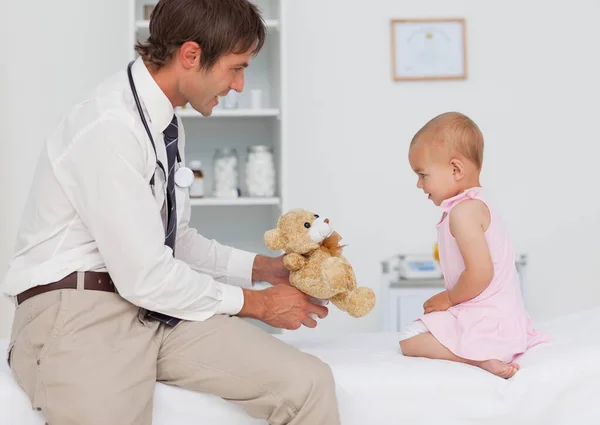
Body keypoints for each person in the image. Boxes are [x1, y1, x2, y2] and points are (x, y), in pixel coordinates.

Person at [1, 1, 342, 424]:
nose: (239, 85)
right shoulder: (108, 127)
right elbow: (144, 273)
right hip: (79, 309)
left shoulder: (164, 124)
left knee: (307, 384)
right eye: (236, 68)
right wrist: (257, 305)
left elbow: (170, 242)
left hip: (152, 306)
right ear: (191, 55)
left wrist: (262, 268)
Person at [399, 111, 548, 379]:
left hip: (490, 321)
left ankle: (480, 359)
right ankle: (483, 351)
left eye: (423, 175)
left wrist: (448, 299)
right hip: (498, 317)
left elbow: (480, 273)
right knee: (418, 333)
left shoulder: (464, 212)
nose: (419, 184)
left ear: (456, 169)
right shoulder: (475, 204)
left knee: (410, 340)